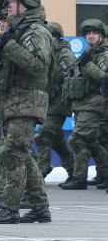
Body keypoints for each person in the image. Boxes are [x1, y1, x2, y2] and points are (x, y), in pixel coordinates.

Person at [0, 0, 52, 224]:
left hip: (27, 101)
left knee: (12, 153)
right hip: (12, 102)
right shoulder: (16, 30)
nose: (9, 6)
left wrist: (9, 45)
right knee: (23, 155)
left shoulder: (36, 32)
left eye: (13, 2)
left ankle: (10, 207)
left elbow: (37, 64)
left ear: (26, 5)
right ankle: (40, 206)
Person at [60, 19, 108, 190]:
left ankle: (79, 178)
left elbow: (103, 78)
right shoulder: (89, 52)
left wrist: (87, 63)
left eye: (95, 33)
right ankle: (104, 172)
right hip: (81, 103)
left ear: (101, 35)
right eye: (88, 33)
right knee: (91, 140)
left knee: (77, 138)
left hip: (95, 102)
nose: (91, 36)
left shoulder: (103, 54)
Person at [35, 21, 76, 182]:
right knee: (57, 140)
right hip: (49, 103)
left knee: (43, 135)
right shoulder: (49, 52)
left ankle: (41, 171)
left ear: (56, 37)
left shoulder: (65, 54)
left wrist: (63, 78)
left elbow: (72, 78)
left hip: (59, 104)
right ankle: (74, 171)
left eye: (49, 37)